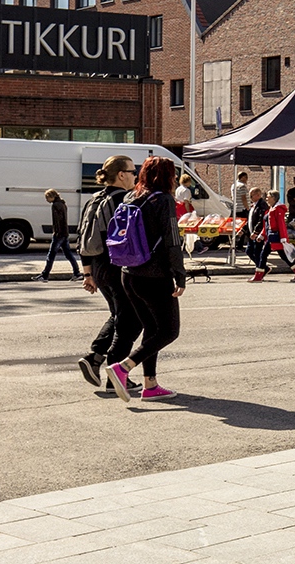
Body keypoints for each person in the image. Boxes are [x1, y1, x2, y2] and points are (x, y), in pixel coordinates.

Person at [108, 155, 188, 403]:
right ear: (167, 177)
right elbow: (173, 240)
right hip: (155, 275)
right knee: (169, 331)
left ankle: (150, 385)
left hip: (129, 273)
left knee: (152, 329)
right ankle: (123, 368)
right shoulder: (163, 200)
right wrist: (180, 275)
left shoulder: (131, 196)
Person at [79, 156, 138, 388]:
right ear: (121, 175)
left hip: (98, 267)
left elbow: (83, 237)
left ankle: (95, 358)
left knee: (119, 314)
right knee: (131, 320)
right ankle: (115, 374)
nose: (136, 175)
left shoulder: (94, 199)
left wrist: (87, 274)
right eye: (133, 171)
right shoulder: (126, 199)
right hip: (119, 266)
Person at [252, 188, 295, 281]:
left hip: (276, 237)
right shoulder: (272, 209)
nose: (266, 198)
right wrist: (262, 235)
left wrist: (283, 238)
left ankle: (258, 275)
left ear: (274, 198)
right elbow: (267, 225)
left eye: (268, 196)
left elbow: (281, 224)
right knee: (282, 255)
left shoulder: (277, 209)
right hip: (271, 236)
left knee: (264, 255)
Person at [41, 189, 81, 281]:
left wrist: (57, 233)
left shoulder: (55, 205)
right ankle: (77, 273)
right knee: (68, 254)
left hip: (59, 234)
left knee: (51, 255)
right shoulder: (63, 204)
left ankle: (44, 275)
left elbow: (58, 221)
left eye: (47, 197)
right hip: (64, 233)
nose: (46, 200)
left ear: (52, 196)